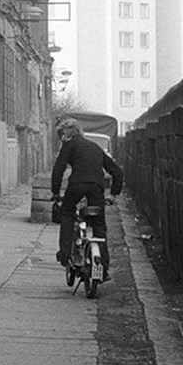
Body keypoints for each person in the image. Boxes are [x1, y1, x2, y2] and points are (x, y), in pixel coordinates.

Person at [50, 119, 124, 281]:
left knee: (67, 214)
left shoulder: (69, 146)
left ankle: (64, 255)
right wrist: (112, 194)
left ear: (69, 133)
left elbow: (58, 170)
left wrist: (56, 193)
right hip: (96, 188)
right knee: (99, 226)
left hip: (76, 185)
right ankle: (103, 268)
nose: (61, 138)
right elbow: (117, 172)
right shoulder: (95, 147)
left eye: (61, 134)